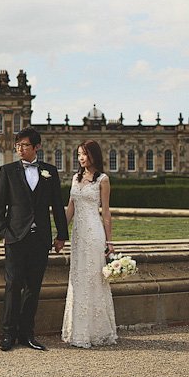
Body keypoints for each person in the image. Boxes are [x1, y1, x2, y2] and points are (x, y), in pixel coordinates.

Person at [0, 127, 68, 351]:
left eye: (25, 145)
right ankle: (8, 334)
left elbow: (57, 206)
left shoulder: (50, 172)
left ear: (37, 147)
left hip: (41, 238)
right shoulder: (7, 171)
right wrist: (4, 233)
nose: (20, 149)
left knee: (33, 288)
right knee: (13, 285)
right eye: (17, 145)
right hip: (16, 237)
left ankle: (27, 334)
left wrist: (61, 235)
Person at [61, 139, 118, 347]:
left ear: (94, 155)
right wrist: (60, 233)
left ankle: (96, 331)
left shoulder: (103, 179)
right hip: (78, 235)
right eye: (78, 154)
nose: (81, 158)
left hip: (94, 234)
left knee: (93, 279)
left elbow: (106, 212)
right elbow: (70, 209)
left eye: (84, 154)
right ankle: (77, 330)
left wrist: (109, 241)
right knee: (78, 278)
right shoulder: (76, 179)